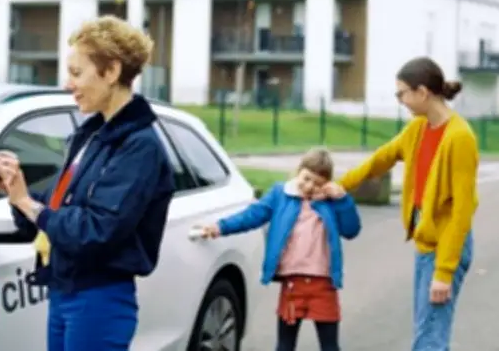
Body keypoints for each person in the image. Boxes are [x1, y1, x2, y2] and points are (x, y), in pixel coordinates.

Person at [0, 15, 176, 351]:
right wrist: (14, 190)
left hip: (99, 301)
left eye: (76, 73)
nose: (68, 84)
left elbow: (97, 229)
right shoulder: (91, 135)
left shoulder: (140, 147)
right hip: (65, 291)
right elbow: (61, 207)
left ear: (111, 72)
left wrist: (28, 203)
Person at [338, 56, 478, 350]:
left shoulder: (459, 137)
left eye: (401, 93)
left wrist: (444, 272)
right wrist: (339, 186)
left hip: (446, 247)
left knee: (430, 338)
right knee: (427, 333)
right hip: (426, 243)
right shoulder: (418, 129)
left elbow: (462, 211)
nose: (400, 100)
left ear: (423, 92)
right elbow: (381, 159)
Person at [199, 147, 361, 351]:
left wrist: (343, 200)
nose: (310, 186)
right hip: (293, 284)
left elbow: (351, 230)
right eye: (306, 178)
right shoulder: (280, 194)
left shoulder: (330, 202)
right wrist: (220, 227)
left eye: (318, 183)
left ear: (327, 184)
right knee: (285, 345)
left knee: (329, 345)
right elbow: (252, 215)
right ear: (298, 171)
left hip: (324, 284)